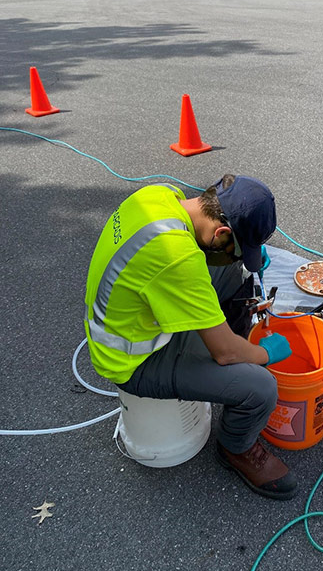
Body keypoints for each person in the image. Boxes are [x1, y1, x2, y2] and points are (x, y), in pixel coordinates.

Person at [84, 174, 297, 500]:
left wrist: (240, 263)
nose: (239, 256)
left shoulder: (162, 195)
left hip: (134, 318)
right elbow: (225, 353)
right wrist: (264, 354)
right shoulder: (178, 257)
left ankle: (225, 364)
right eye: (236, 248)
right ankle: (235, 448)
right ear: (222, 232)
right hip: (134, 360)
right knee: (262, 387)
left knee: (231, 271)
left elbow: (202, 258)